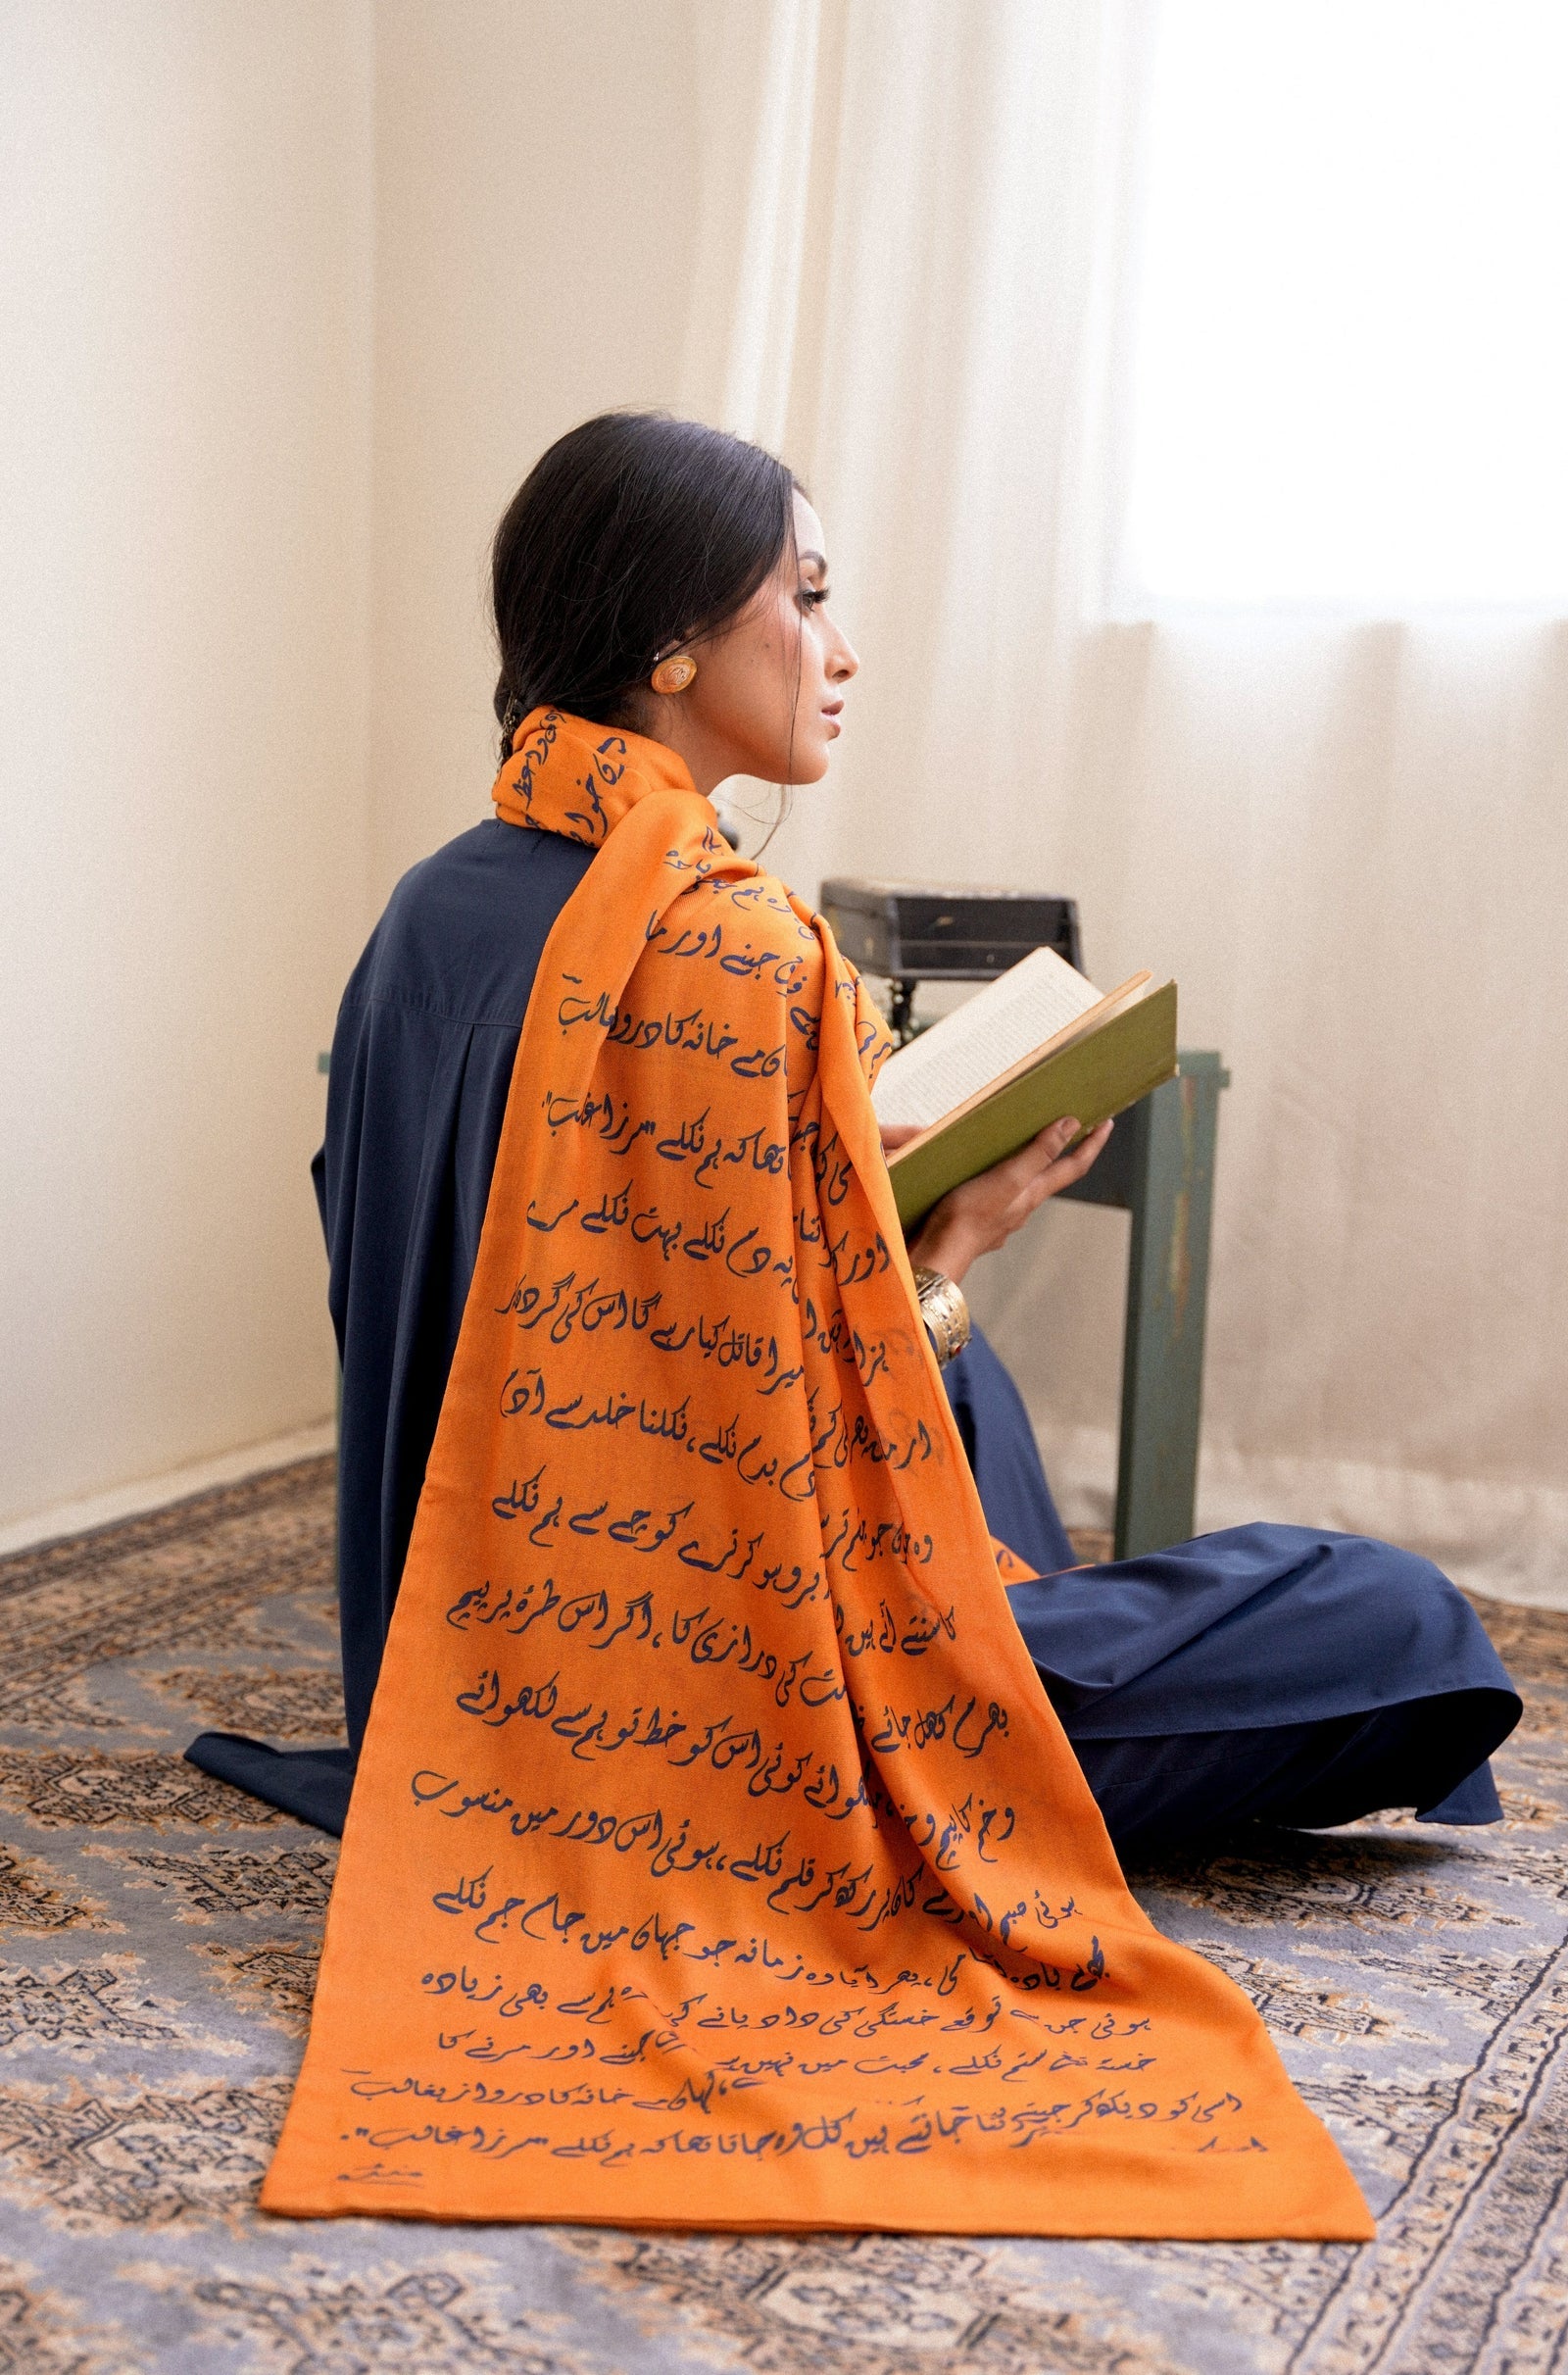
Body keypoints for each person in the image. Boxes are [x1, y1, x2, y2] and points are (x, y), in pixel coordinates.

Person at [188, 413, 1518, 1860]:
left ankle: (1036, 1639)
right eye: (808, 598)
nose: (843, 651)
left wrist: (831, 1194)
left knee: (975, 1392)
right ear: (671, 644)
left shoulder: (422, 915)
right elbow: (771, 1450)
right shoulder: (738, 951)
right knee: (1394, 1617)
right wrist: (945, 1255)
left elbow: (467, 1291)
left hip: (448, 1673)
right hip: (729, 1731)